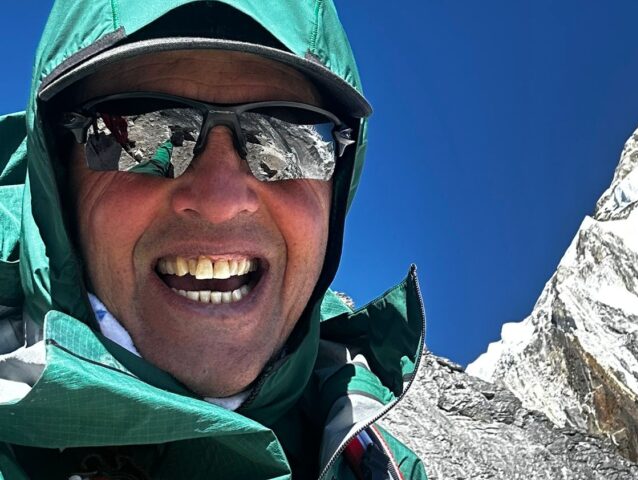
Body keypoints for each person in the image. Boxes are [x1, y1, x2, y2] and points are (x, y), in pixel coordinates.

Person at [0, 2, 427, 479]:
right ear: (58, 179)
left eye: (288, 140)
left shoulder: (376, 466)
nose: (221, 200)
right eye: (139, 133)